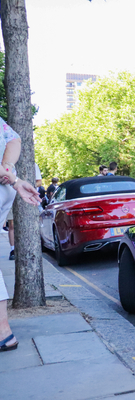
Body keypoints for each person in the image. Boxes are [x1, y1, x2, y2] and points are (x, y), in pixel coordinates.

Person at [0, 118, 42, 352]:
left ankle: (3, 332)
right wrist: (8, 170)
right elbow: (14, 138)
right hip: (5, 186)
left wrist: (12, 178)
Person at [7, 163, 42, 260]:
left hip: (26, 197)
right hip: (11, 198)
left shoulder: (33, 164)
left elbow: (39, 182)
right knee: (12, 225)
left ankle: (30, 248)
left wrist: (26, 185)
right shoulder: (8, 163)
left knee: (27, 223)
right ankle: (13, 249)